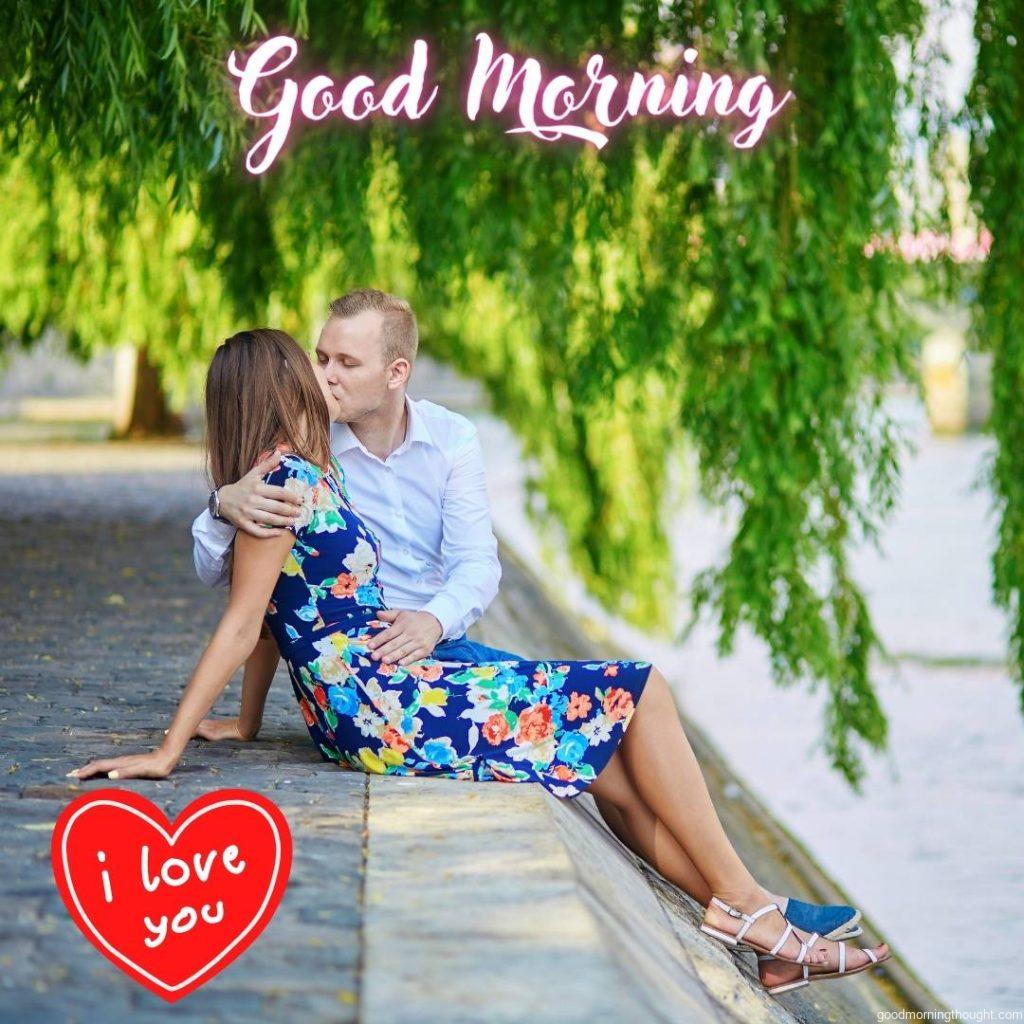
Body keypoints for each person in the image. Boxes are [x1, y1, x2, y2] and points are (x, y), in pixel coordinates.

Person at [67, 327, 891, 997]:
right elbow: (245, 622)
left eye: (328, 362)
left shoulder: (300, 474)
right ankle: (753, 910)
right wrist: (168, 751)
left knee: (618, 761)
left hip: (389, 689)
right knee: (639, 690)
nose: (317, 377)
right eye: (304, 366)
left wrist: (243, 726)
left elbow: (284, 622)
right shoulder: (279, 486)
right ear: (273, 391)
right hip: (386, 708)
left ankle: (761, 934)